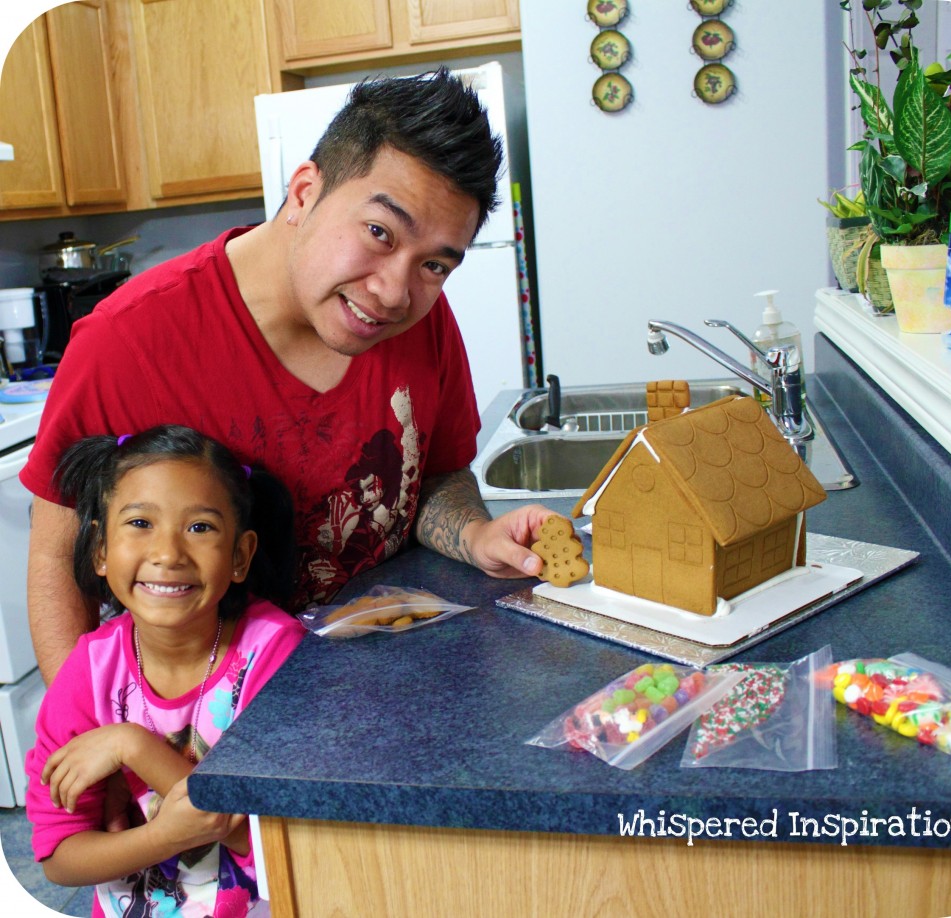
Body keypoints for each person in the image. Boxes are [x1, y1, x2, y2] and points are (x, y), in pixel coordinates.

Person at [21, 67, 553, 685]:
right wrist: (89, 738)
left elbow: (434, 477)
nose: (393, 293)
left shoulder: (421, 325)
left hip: (388, 690)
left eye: (434, 264)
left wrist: (478, 535)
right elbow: (58, 561)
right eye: (379, 233)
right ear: (304, 192)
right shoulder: (128, 341)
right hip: (197, 732)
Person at [25, 425, 307, 916]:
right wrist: (163, 837)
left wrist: (129, 744)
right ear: (100, 551)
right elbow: (58, 856)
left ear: (240, 555)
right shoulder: (89, 671)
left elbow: (283, 849)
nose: (168, 554)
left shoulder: (275, 656)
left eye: (200, 527)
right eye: (139, 523)